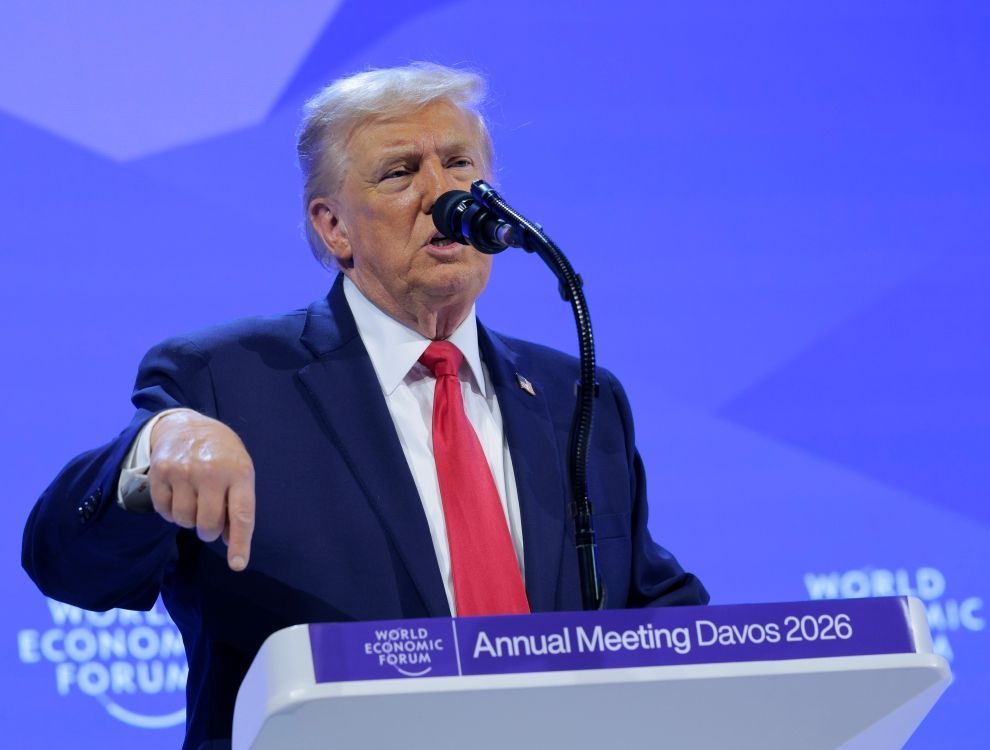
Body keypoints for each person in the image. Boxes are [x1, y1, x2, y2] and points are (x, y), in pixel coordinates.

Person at [22, 63, 708, 749]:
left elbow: (646, 608)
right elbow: (69, 565)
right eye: (402, 172)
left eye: (460, 163)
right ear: (333, 228)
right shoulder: (224, 381)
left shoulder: (576, 397)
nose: (445, 195)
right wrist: (148, 458)